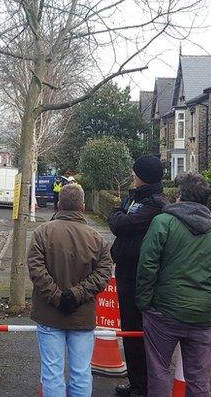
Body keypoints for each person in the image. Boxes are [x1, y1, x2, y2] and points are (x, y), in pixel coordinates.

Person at [136, 172, 211, 397]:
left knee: (159, 372)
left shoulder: (163, 223)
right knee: (199, 380)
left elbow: (147, 265)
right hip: (202, 317)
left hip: (164, 313)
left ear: (179, 196)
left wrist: (144, 303)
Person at [27, 183, 113, 397]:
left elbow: (36, 270)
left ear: (58, 205)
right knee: (81, 373)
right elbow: (103, 274)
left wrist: (58, 297)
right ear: (83, 207)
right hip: (82, 316)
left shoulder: (42, 233)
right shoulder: (97, 239)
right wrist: (76, 295)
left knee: (52, 373)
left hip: (49, 315)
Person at [108, 155, 169, 396]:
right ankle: (136, 383)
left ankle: (143, 387)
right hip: (125, 271)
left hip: (141, 275)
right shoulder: (136, 197)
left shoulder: (156, 203)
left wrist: (119, 218)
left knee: (139, 332)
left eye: (135, 173)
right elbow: (116, 217)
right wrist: (119, 217)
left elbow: (122, 224)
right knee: (130, 330)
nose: (132, 176)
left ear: (142, 175)